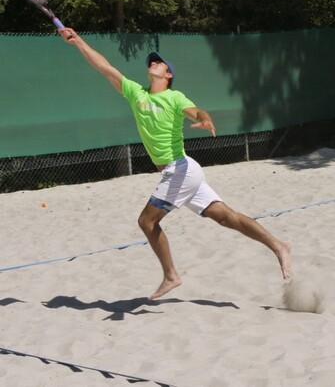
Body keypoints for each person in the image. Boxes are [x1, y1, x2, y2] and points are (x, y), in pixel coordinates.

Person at [59, 28, 291, 299]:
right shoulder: (136, 93)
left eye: (159, 62)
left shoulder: (175, 97)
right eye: (152, 62)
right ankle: (279, 246)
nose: (153, 63)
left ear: (168, 74)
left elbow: (196, 111)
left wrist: (205, 119)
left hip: (180, 170)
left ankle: (171, 275)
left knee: (146, 222)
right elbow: (105, 68)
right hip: (184, 172)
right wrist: (78, 42)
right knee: (227, 217)